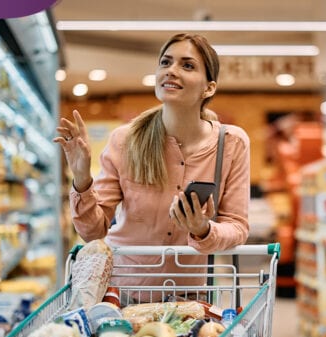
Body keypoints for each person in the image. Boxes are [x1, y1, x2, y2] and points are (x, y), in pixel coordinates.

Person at [54, 33, 250, 297]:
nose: (172, 71)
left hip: (187, 300)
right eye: (165, 62)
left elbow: (237, 227)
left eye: (187, 65)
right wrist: (81, 178)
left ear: (209, 88)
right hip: (119, 293)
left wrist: (203, 230)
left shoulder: (232, 143)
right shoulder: (126, 140)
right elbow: (93, 232)